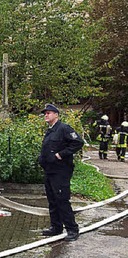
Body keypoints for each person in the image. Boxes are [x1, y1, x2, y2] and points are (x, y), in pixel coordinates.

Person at [38, 104, 84, 242]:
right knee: (52, 200)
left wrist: (60, 155)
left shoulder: (63, 129)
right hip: (50, 170)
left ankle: (72, 229)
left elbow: (78, 142)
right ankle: (56, 227)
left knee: (62, 200)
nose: (46, 115)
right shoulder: (50, 131)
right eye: (45, 113)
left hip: (61, 171)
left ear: (56, 115)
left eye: (49, 113)